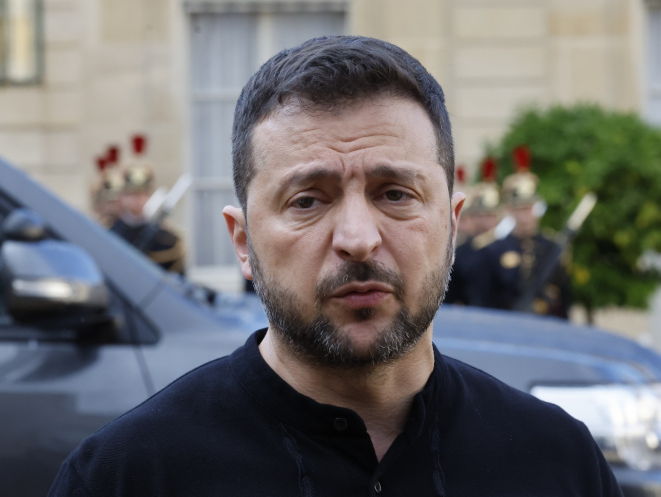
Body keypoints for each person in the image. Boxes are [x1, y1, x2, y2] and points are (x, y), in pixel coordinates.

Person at [49, 36, 621, 496]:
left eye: (395, 194)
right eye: (307, 201)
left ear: (452, 227)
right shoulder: (127, 476)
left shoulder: (559, 462)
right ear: (243, 242)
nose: (358, 240)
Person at [475, 151, 572, 318]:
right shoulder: (494, 250)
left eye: (529, 208)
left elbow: (564, 299)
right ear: (510, 210)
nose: (526, 215)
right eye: (520, 209)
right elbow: (485, 299)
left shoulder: (552, 247)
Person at [109, 162, 186, 274]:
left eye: (142, 193)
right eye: (131, 193)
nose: (137, 199)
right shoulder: (111, 234)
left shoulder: (166, 239)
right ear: (121, 196)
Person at [443, 164, 501, 305]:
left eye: (490, 215)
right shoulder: (462, 251)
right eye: (481, 215)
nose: (486, 221)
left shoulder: (506, 247)